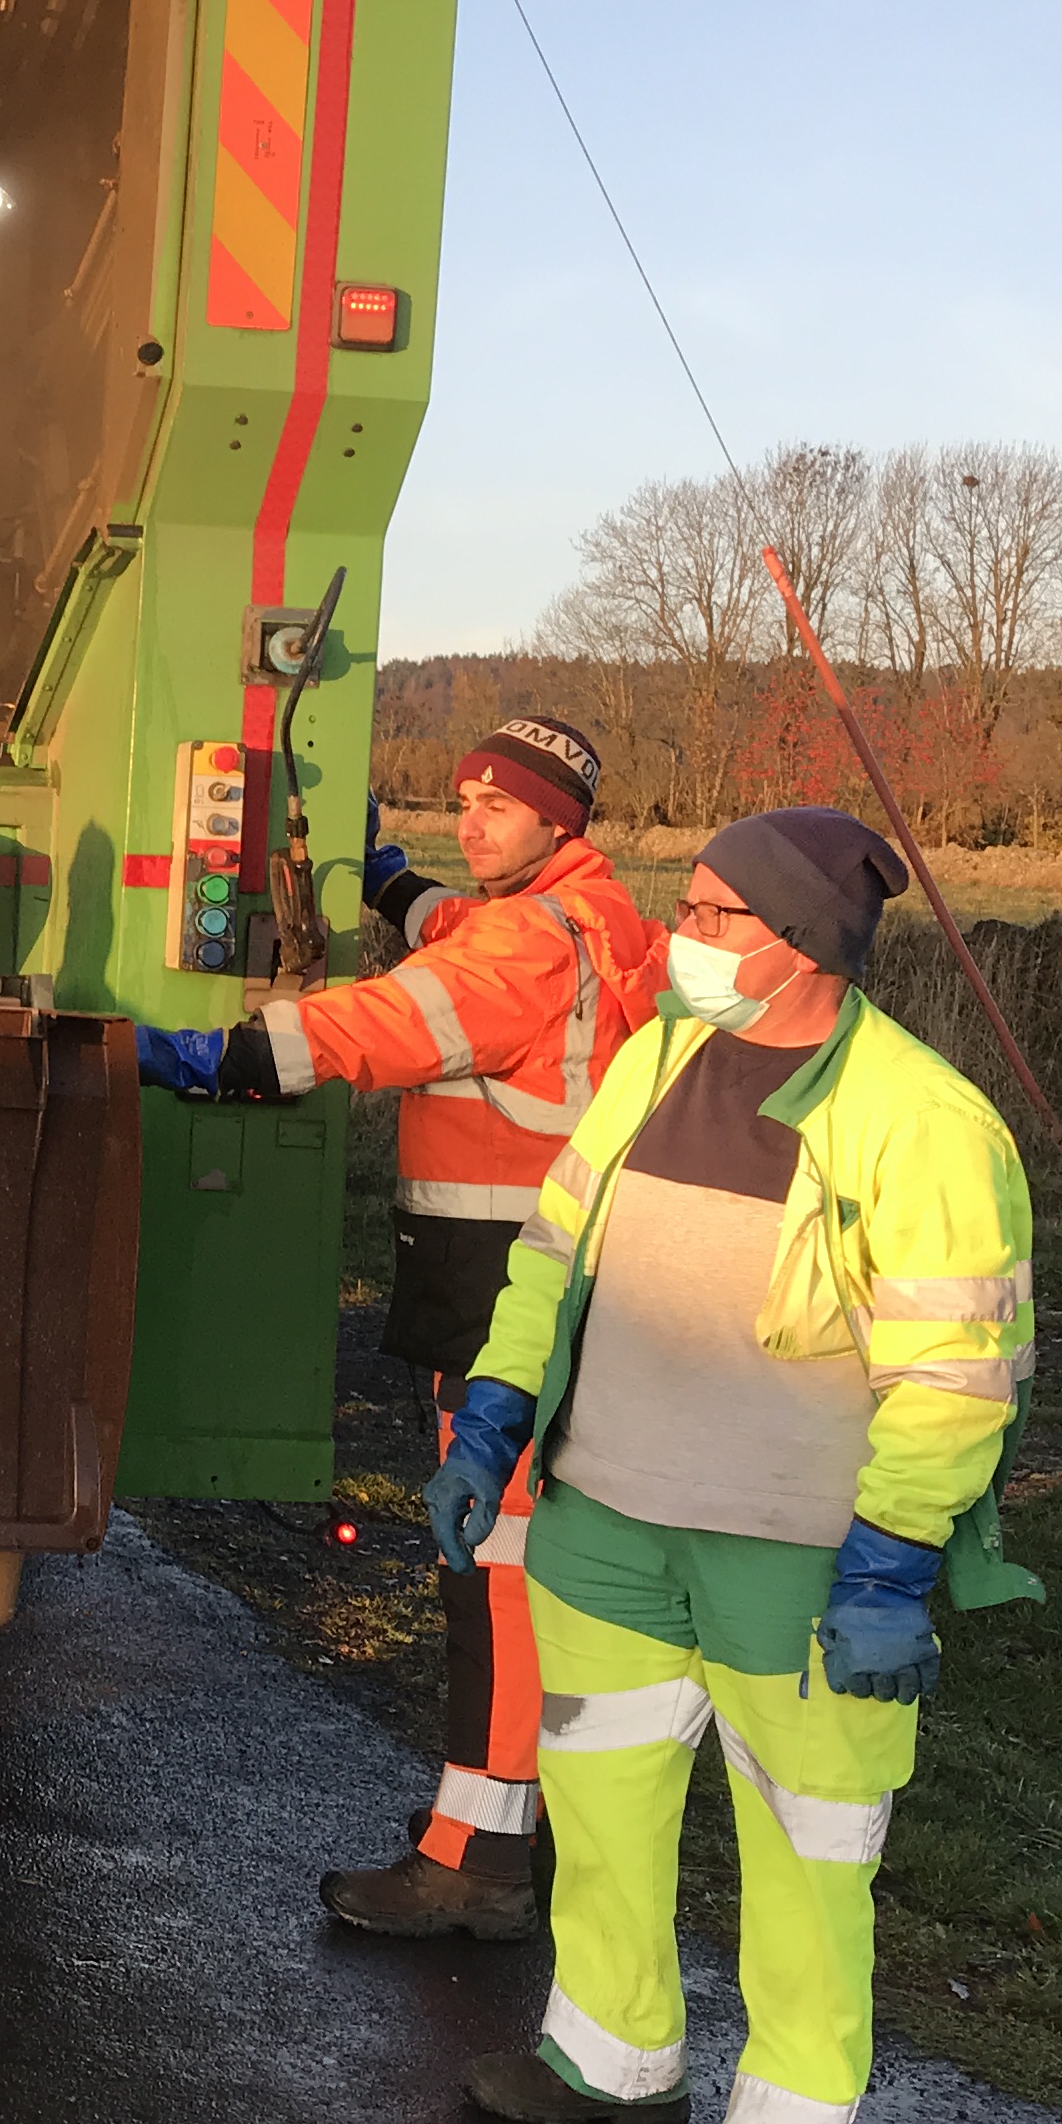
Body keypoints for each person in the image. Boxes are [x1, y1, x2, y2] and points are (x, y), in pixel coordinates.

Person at [434, 806, 1037, 2124]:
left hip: (801, 1555)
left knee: (812, 1839)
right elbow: (552, 1250)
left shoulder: (928, 1122)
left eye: (715, 917)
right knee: (604, 1804)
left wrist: (894, 1554)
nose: (682, 939)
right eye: (686, 907)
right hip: (608, 1525)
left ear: (809, 946)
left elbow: (961, 1373)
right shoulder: (658, 1056)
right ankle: (608, 2058)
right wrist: (499, 1406)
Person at [138, 716, 665, 1938]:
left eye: (498, 805)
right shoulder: (585, 917)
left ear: (560, 823)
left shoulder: (524, 945)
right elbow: (450, 934)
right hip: (544, 1279)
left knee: (499, 1579)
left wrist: (207, 1059)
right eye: (461, 798)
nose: (469, 819)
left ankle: (474, 1864)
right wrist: (392, 884)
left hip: (503, 1293)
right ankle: (501, 1844)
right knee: (513, 1571)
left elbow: (377, 1024)